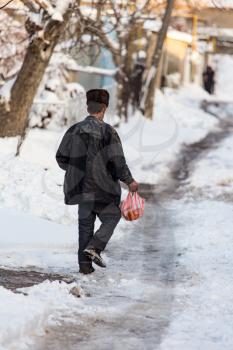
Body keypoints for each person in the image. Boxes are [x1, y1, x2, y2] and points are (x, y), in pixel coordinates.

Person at [56, 89, 138, 274]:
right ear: (104, 108)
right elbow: (118, 161)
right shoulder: (108, 131)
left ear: (88, 107)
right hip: (103, 189)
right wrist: (129, 181)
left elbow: (61, 157)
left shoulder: (74, 129)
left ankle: (85, 267)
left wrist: (75, 171)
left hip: (80, 189)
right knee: (113, 216)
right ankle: (95, 247)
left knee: (85, 227)